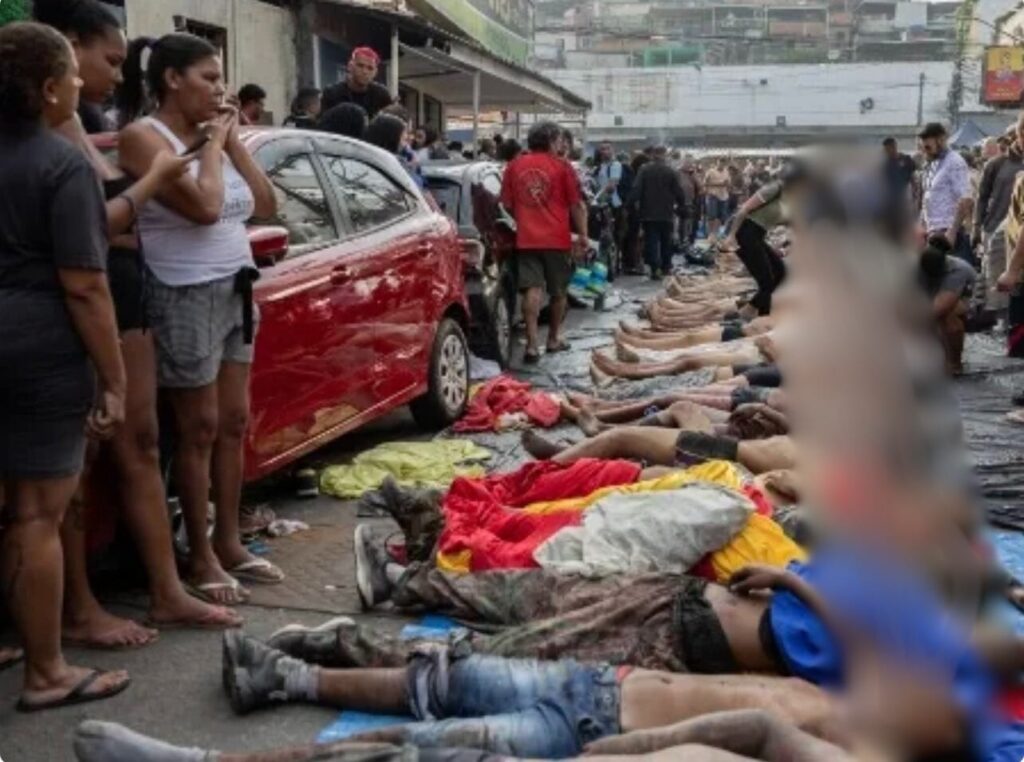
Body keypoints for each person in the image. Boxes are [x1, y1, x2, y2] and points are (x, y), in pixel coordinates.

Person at [35, 0, 242, 640]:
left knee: (142, 444)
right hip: (80, 307)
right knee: (71, 470)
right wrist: (153, 180)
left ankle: (165, 588)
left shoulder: (80, 122)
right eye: (108, 60)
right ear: (65, 50)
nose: (109, 76)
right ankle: (73, 612)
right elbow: (102, 226)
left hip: (126, 296)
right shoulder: (79, 136)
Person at [117, 32, 282, 604]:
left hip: (235, 286)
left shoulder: (217, 137)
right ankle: (201, 554)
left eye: (221, 79)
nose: (220, 89)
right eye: (209, 78)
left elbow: (265, 205)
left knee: (234, 423)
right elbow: (206, 206)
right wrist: (213, 146)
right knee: (199, 428)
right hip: (182, 294)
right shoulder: (145, 137)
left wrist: (233, 145)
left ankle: (231, 540)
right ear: (171, 79)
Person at [0, 20, 132, 711]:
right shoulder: (62, 163)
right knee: (36, 513)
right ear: (50, 89)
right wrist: (114, 378)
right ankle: (47, 671)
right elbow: (85, 284)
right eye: (74, 77)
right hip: (37, 348)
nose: (83, 85)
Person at [500, 121, 587, 364]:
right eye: (559, 140)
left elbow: (506, 204)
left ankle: (531, 344)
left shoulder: (514, 166)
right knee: (558, 292)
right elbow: (576, 205)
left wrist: (525, 218)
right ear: (551, 140)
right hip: (557, 239)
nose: (561, 144)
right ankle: (553, 339)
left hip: (526, 239)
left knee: (532, 289)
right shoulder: (562, 167)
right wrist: (583, 235)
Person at [719, 169, 796, 317]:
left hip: (758, 235)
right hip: (744, 232)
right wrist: (731, 235)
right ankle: (759, 315)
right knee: (766, 282)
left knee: (781, 273)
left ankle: (749, 309)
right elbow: (744, 210)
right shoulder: (774, 189)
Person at [974, 118, 1024, 324]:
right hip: (997, 225)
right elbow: (982, 196)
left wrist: (1012, 271)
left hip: (1016, 236)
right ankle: (997, 316)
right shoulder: (997, 164)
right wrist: (978, 226)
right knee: (993, 270)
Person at [629, 145, 688, 280]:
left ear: (653, 155)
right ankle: (666, 267)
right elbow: (678, 191)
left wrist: (630, 204)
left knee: (652, 240)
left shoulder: (644, 170)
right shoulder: (671, 171)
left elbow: (637, 189)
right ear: (665, 155)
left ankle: (655, 268)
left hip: (648, 212)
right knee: (666, 240)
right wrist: (681, 205)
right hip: (666, 212)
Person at [919, 122, 974, 263]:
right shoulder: (933, 164)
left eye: (928, 147)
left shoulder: (955, 162)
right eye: (923, 147)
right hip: (934, 233)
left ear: (941, 140)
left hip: (949, 233)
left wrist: (952, 231)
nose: (925, 151)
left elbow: (965, 199)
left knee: (951, 281)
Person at [919, 240, 976, 374]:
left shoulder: (958, 270)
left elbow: (939, 308)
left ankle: (954, 363)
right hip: (933, 296)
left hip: (970, 304)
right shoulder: (913, 264)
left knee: (947, 316)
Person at [321, 47, 393, 119]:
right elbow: (324, 124)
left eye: (370, 68)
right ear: (350, 66)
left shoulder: (382, 95)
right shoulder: (332, 93)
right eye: (360, 66)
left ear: (375, 72)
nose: (365, 71)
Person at [365, 112, 423, 188]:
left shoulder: (405, 158)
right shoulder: (391, 164)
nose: (410, 138)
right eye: (404, 139)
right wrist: (410, 169)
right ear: (392, 139)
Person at [882, 136, 917, 201]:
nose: (886, 152)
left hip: (906, 194)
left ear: (894, 146)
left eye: (887, 149)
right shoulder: (886, 164)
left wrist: (914, 190)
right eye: (885, 150)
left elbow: (912, 176)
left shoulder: (907, 159)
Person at [703, 158, 730, 239]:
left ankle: (715, 233)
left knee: (720, 216)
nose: (721, 165)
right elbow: (705, 183)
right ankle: (710, 234)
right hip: (713, 195)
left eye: (723, 163)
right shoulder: (710, 171)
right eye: (720, 163)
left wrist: (727, 184)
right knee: (712, 216)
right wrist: (719, 184)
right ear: (717, 163)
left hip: (724, 196)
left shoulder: (726, 171)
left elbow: (728, 183)